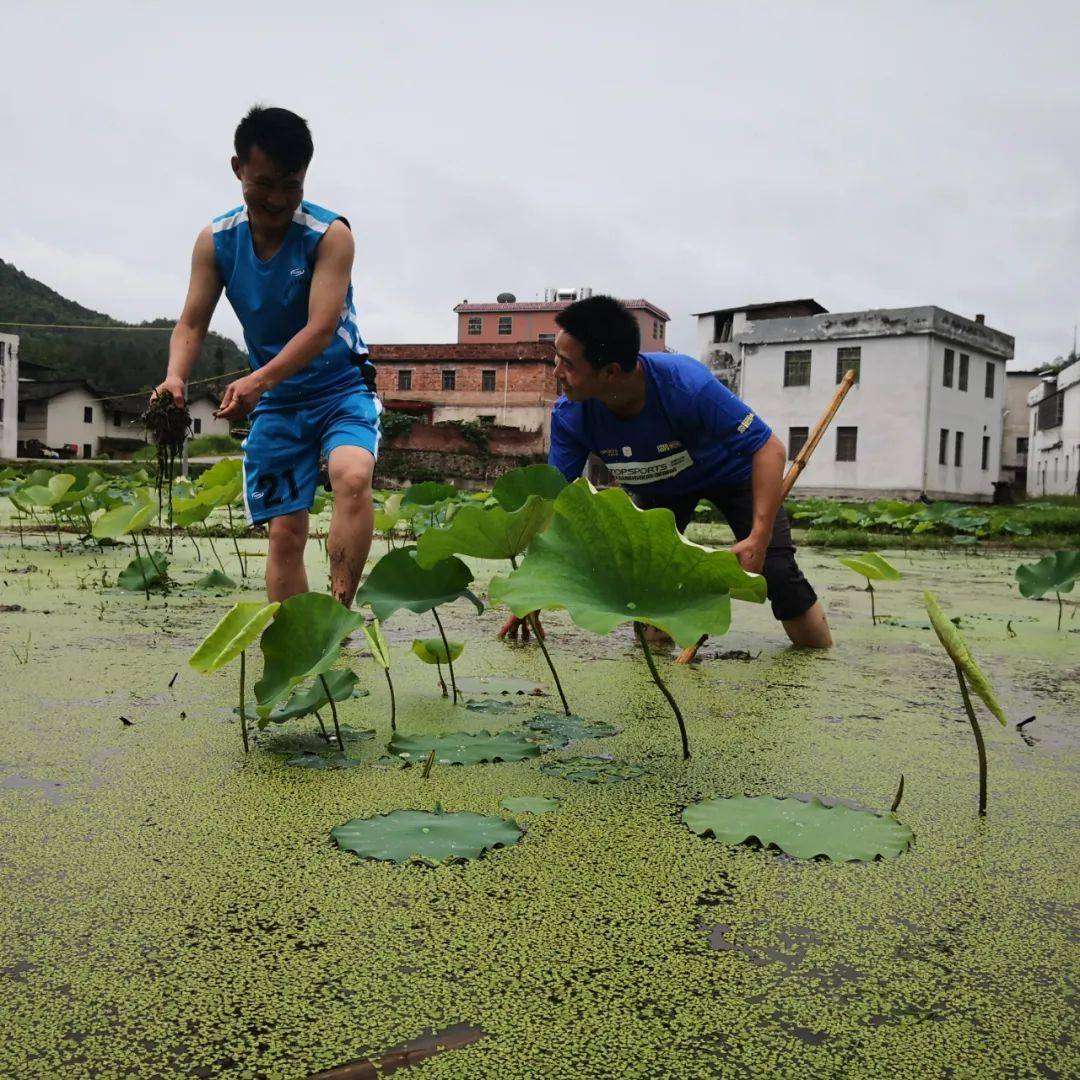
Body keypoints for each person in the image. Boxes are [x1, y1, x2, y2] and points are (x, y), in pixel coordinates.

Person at [501, 295, 832, 648]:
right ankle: (658, 677)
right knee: (647, 587)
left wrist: (760, 536)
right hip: (660, 489)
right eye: (557, 357)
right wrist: (533, 588)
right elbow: (557, 503)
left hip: (731, 476)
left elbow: (769, 448)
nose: (556, 372)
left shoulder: (686, 385)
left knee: (778, 574)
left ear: (610, 372)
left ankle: (818, 660)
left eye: (567, 364)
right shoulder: (571, 416)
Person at [153, 105, 380, 606]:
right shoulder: (216, 241)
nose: (277, 199)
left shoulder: (329, 235)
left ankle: (338, 615)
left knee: (352, 476)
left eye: (291, 185)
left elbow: (321, 328)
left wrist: (257, 381)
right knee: (285, 534)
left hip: (342, 388)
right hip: (279, 402)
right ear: (238, 169)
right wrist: (174, 378)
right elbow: (192, 322)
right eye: (265, 183)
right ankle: (293, 643)